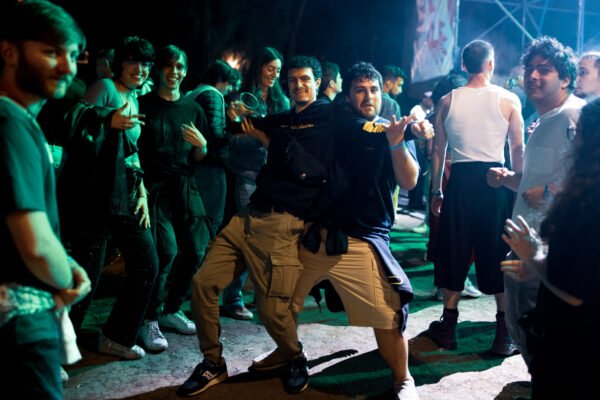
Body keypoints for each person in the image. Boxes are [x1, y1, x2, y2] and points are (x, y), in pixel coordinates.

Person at [178, 55, 334, 397]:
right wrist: (234, 117)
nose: (298, 85)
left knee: (271, 310)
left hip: (283, 221)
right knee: (203, 284)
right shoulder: (283, 119)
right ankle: (212, 362)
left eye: (305, 79)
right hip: (249, 215)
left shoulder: (330, 116)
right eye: (292, 80)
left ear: (318, 82)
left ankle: (295, 358)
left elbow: (357, 138)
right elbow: (243, 128)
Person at [290, 62, 429, 400]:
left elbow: (409, 180)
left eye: (374, 90)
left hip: (366, 237)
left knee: (387, 312)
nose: (368, 96)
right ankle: (290, 356)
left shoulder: (392, 130)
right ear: (348, 95)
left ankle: (403, 380)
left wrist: (397, 141)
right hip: (322, 232)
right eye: (360, 90)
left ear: (382, 94)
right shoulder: (341, 123)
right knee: (282, 302)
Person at [0, 0, 91, 397]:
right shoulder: (10, 121)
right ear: (9, 51)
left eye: (71, 54)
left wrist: (66, 263)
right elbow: (34, 245)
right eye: (51, 52)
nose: (67, 67)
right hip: (22, 318)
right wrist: (70, 281)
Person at [61, 35, 159, 359]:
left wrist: (142, 192)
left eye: (146, 64)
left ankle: (116, 335)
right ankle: (57, 349)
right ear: (119, 63)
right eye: (133, 61)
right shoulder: (104, 87)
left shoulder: (134, 97)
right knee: (87, 272)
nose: (140, 69)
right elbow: (74, 123)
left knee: (147, 264)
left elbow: (132, 152)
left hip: (126, 193)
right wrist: (108, 120)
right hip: (97, 195)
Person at [487, 36, 583, 367]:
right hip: (525, 241)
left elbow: (588, 181)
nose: (533, 75)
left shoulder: (576, 116)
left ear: (565, 79)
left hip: (551, 247)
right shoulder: (541, 120)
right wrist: (508, 179)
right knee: (521, 324)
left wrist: (549, 192)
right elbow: (535, 180)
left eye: (544, 69)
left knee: (545, 331)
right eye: (530, 68)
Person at [427, 39, 524, 355]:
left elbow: (438, 150)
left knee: (453, 250)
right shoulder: (509, 99)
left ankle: (448, 327)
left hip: (459, 183)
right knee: (497, 253)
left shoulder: (447, 100)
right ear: (491, 64)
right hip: (495, 182)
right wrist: (517, 183)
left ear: (463, 65)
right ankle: (504, 334)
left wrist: (437, 190)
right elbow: (517, 148)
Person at [500, 97, 600, 399]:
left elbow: (574, 291)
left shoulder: (588, 201)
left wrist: (535, 257)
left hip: (574, 347)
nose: (573, 140)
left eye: (578, 132)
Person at [136, 45, 210, 351]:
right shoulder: (143, 105)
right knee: (165, 252)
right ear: (159, 69)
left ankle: (171, 309)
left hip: (184, 186)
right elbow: (133, 150)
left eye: (180, 67)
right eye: (169, 66)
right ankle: (148, 318)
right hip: (153, 188)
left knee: (196, 249)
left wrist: (202, 145)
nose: (174, 72)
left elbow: (199, 157)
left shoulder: (194, 109)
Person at [222, 47, 291, 320]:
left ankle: (261, 297)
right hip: (247, 176)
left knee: (269, 238)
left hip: (273, 179)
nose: (274, 74)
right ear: (258, 67)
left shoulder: (281, 102)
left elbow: (284, 142)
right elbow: (232, 142)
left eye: (278, 70)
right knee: (250, 238)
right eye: (270, 68)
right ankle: (233, 297)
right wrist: (258, 138)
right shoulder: (240, 99)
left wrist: (262, 137)